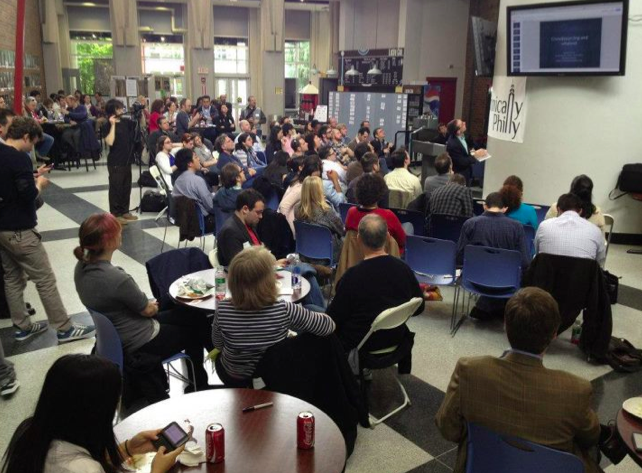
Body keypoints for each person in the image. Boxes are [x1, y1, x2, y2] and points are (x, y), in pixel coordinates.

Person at [436, 287, 603, 473]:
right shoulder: (576, 390)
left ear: (505, 325)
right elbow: (591, 437)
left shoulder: (469, 370)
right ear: (554, 334)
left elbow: (448, 428)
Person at [74, 214, 212, 389]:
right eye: (118, 231)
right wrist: (152, 306)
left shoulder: (81, 268)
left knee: (191, 315)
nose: (121, 233)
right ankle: (200, 384)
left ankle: (200, 381)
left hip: (119, 334)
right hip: (141, 339)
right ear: (108, 242)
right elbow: (147, 311)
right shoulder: (116, 278)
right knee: (197, 330)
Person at [2, 354, 185, 473]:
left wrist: (128, 448)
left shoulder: (30, 430)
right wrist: (157, 471)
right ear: (95, 410)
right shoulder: (84, 468)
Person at [0, 117, 95, 343]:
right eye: (33, 143)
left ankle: (22, 326)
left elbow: (10, 185)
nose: (33, 148)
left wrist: (30, 175)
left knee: (12, 278)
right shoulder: (18, 158)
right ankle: (64, 328)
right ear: (25, 137)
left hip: (2, 229)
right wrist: (39, 184)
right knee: (45, 279)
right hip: (21, 230)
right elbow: (28, 195)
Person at [212, 246, 335, 386]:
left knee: (221, 358)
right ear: (270, 282)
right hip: (272, 375)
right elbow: (328, 327)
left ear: (232, 281)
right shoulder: (283, 309)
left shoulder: (222, 309)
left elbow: (218, 344)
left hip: (233, 376)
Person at [328, 214, 424, 351]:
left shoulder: (351, 276)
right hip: (396, 340)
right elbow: (419, 308)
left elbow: (333, 319)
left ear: (358, 239)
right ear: (388, 237)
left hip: (358, 345)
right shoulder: (404, 269)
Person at [457, 191, 531, 320]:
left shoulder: (470, 224)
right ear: (505, 208)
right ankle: (494, 306)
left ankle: (486, 306)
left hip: (473, 278)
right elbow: (524, 262)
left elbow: (459, 256)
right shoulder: (517, 227)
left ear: (484, 206)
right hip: (506, 281)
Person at [535, 193, 606, 266]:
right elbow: (600, 261)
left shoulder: (544, 226)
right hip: (582, 272)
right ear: (580, 211)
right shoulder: (595, 231)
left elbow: (537, 252)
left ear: (558, 209)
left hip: (547, 272)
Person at [346, 173, 406, 253]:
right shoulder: (388, 215)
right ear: (380, 193)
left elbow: (349, 234)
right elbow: (402, 240)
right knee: (408, 226)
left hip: (356, 256)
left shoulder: (351, 212)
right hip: (385, 257)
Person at [102, 99, 137, 225]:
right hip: (115, 161)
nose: (122, 110)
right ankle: (115, 214)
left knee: (126, 186)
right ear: (113, 110)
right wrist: (112, 125)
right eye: (119, 108)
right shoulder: (107, 125)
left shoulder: (125, 122)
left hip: (126, 159)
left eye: (122, 108)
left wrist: (140, 113)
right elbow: (110, 142)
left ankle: (124, 210)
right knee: (116, 188)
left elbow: (140, 125)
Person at [294, 176, 345, 263]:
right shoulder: (326, 210)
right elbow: (341, 230)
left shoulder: (297, 208)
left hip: (305, 253)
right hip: (327, 256)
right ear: (319, 191)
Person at [278, 156, 322, 232]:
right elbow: (283, 206)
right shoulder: (300, 188)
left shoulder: (299, 181)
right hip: (291, 225)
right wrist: (290, 230)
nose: (316, 181)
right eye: (314, 178)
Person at [172, 148, 216, 224]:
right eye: (196, 157)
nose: (198, 159)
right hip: (202, 222)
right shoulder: (197, 181)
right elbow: (210, 206)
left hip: (183, 222)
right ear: (189, 163)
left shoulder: (177, 181)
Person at [445, 119, 486, 184]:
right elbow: (462, 162)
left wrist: (475, 152)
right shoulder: (453, 144)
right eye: (462, 124)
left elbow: (470, 147)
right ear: (458, 131)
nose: (464, 123)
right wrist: (475, 156)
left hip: (467, 172)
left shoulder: (465, 135)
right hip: (459, 175)